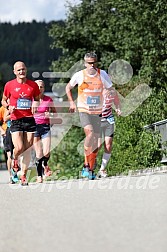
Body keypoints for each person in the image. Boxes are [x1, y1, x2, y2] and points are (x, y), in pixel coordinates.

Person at [66, 52, 112, 179]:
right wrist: (71, 102)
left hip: (97, 111)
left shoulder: (102, 74)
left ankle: (90, 168)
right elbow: (68, 88)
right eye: (89, 63)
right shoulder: (79, 75)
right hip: (84, 110)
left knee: (97, 144)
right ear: (85, 63)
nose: (92, 65)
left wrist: (108, 94)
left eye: (94, 63)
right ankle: (86, 164)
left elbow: (110, 88)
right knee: (90, 134)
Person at [2, 61, 40, 186]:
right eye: (18, 70)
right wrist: (8, 106)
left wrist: (35, 103)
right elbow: (3, 100)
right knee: (19, 147)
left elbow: (37, 99)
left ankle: (23, 175)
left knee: (28, 149)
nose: (21, 72)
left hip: (29, 119)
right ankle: (15, 160)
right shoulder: (9, 85)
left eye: (23, 69)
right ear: (14, 72)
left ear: (26, 70)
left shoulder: (33, 85)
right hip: (16, 119)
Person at [33, 80, 57, 183]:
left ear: (44, 88)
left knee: (46, 152)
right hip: (33, 128)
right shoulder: (31, 100)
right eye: (37, 87)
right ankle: (39, 175)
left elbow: (55, 114)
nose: (39, 89)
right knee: (39, 153)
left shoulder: (48, 99)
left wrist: (50, 115)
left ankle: (45, 164)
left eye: (41, 87)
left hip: (45, 127)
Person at [97, 87, 121, 178]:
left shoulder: (113, 93)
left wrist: (118, 109)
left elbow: (117, 103)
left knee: (108, 145)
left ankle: (102, 169)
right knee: (98, 146)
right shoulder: (96, 91)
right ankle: (90, 165)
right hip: (97, 121)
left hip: (108, 120)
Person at [0, 102, 16, 183]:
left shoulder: (17, 106)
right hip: (6, 132)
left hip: (16, 131)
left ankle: (16, 173)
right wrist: (2, 131)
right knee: (9, 155)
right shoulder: (2, 109)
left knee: (16, 153)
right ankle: (10, 176)